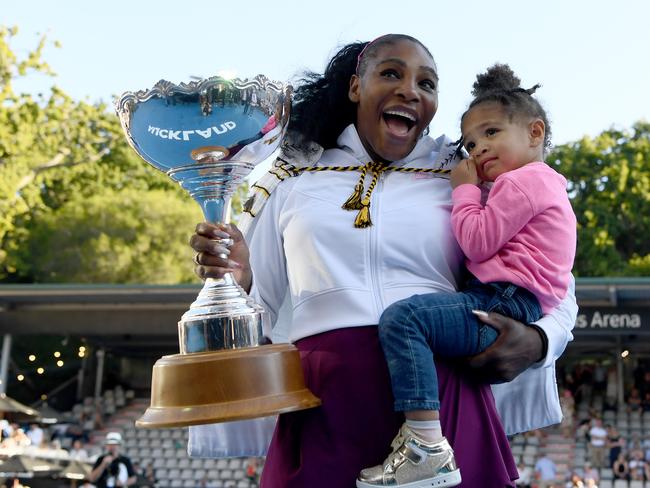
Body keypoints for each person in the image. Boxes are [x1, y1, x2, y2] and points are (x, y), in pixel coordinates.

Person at [190, 34, 577, 488]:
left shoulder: (466, 172)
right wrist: (238, 276)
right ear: (356, 86)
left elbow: (553, 275)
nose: (410, 91)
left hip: (443, 399)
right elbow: (263, 300)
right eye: (391, 73)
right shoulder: (293, 174)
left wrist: (540, 339)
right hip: (323, 401)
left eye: (427, 84)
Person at [360, 63, 576, 486]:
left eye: (492, 134)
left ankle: (425, 446)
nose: (477, 151)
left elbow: (477, 241)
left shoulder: (520, 184)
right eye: (471, 142)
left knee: (406, 320)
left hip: (502, 299)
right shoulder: (545, 183)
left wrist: (464, 190)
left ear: (535, 134)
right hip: (514, 301)